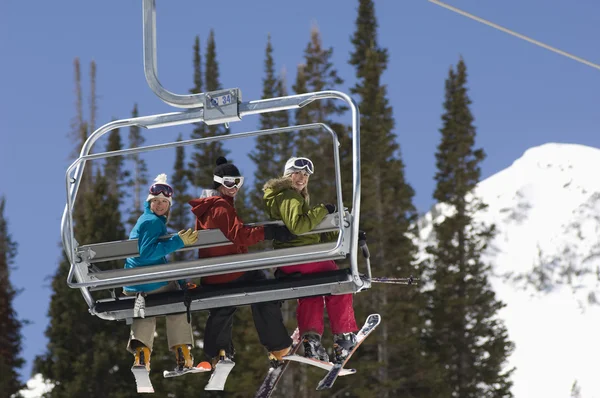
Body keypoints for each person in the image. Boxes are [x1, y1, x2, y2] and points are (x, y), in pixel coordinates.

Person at [189, 156, 296, 367]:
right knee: (264, 288)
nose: (234, 187)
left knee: (223, 305)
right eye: (229, 182)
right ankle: (278, 346)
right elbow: (239, 234)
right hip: (230, 272)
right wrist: (269, 232)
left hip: (214, 276)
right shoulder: (220, 207)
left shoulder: (209, 207)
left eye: (238, 182)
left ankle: (217, 352)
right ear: (219, 182)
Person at [262, 156, 359, 364]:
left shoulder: (291, 197)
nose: (302, 178)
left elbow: (310, 232)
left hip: (295, 259)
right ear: (288, 175)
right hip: (300, 256)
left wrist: (340, 231)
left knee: (311, 294)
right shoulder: (288, 196)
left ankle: (312, 340)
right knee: (341, 281)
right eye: (298, 173)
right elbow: (298, 227)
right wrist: (323, 210)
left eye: (306, 175)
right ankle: (344, 337)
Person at [123, 173, 201, 374]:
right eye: (155, 201)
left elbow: (158, 260)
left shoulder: (146, 219)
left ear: (169, 204)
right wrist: (179, 242)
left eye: (164, 202)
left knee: (144, 310)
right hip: (151, 283)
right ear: (149, 202)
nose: (159, 205)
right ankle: (183, 354)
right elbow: (148, 253)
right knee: (177, 300)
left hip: (133, 286)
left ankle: (142, 356)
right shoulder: (152, 222)